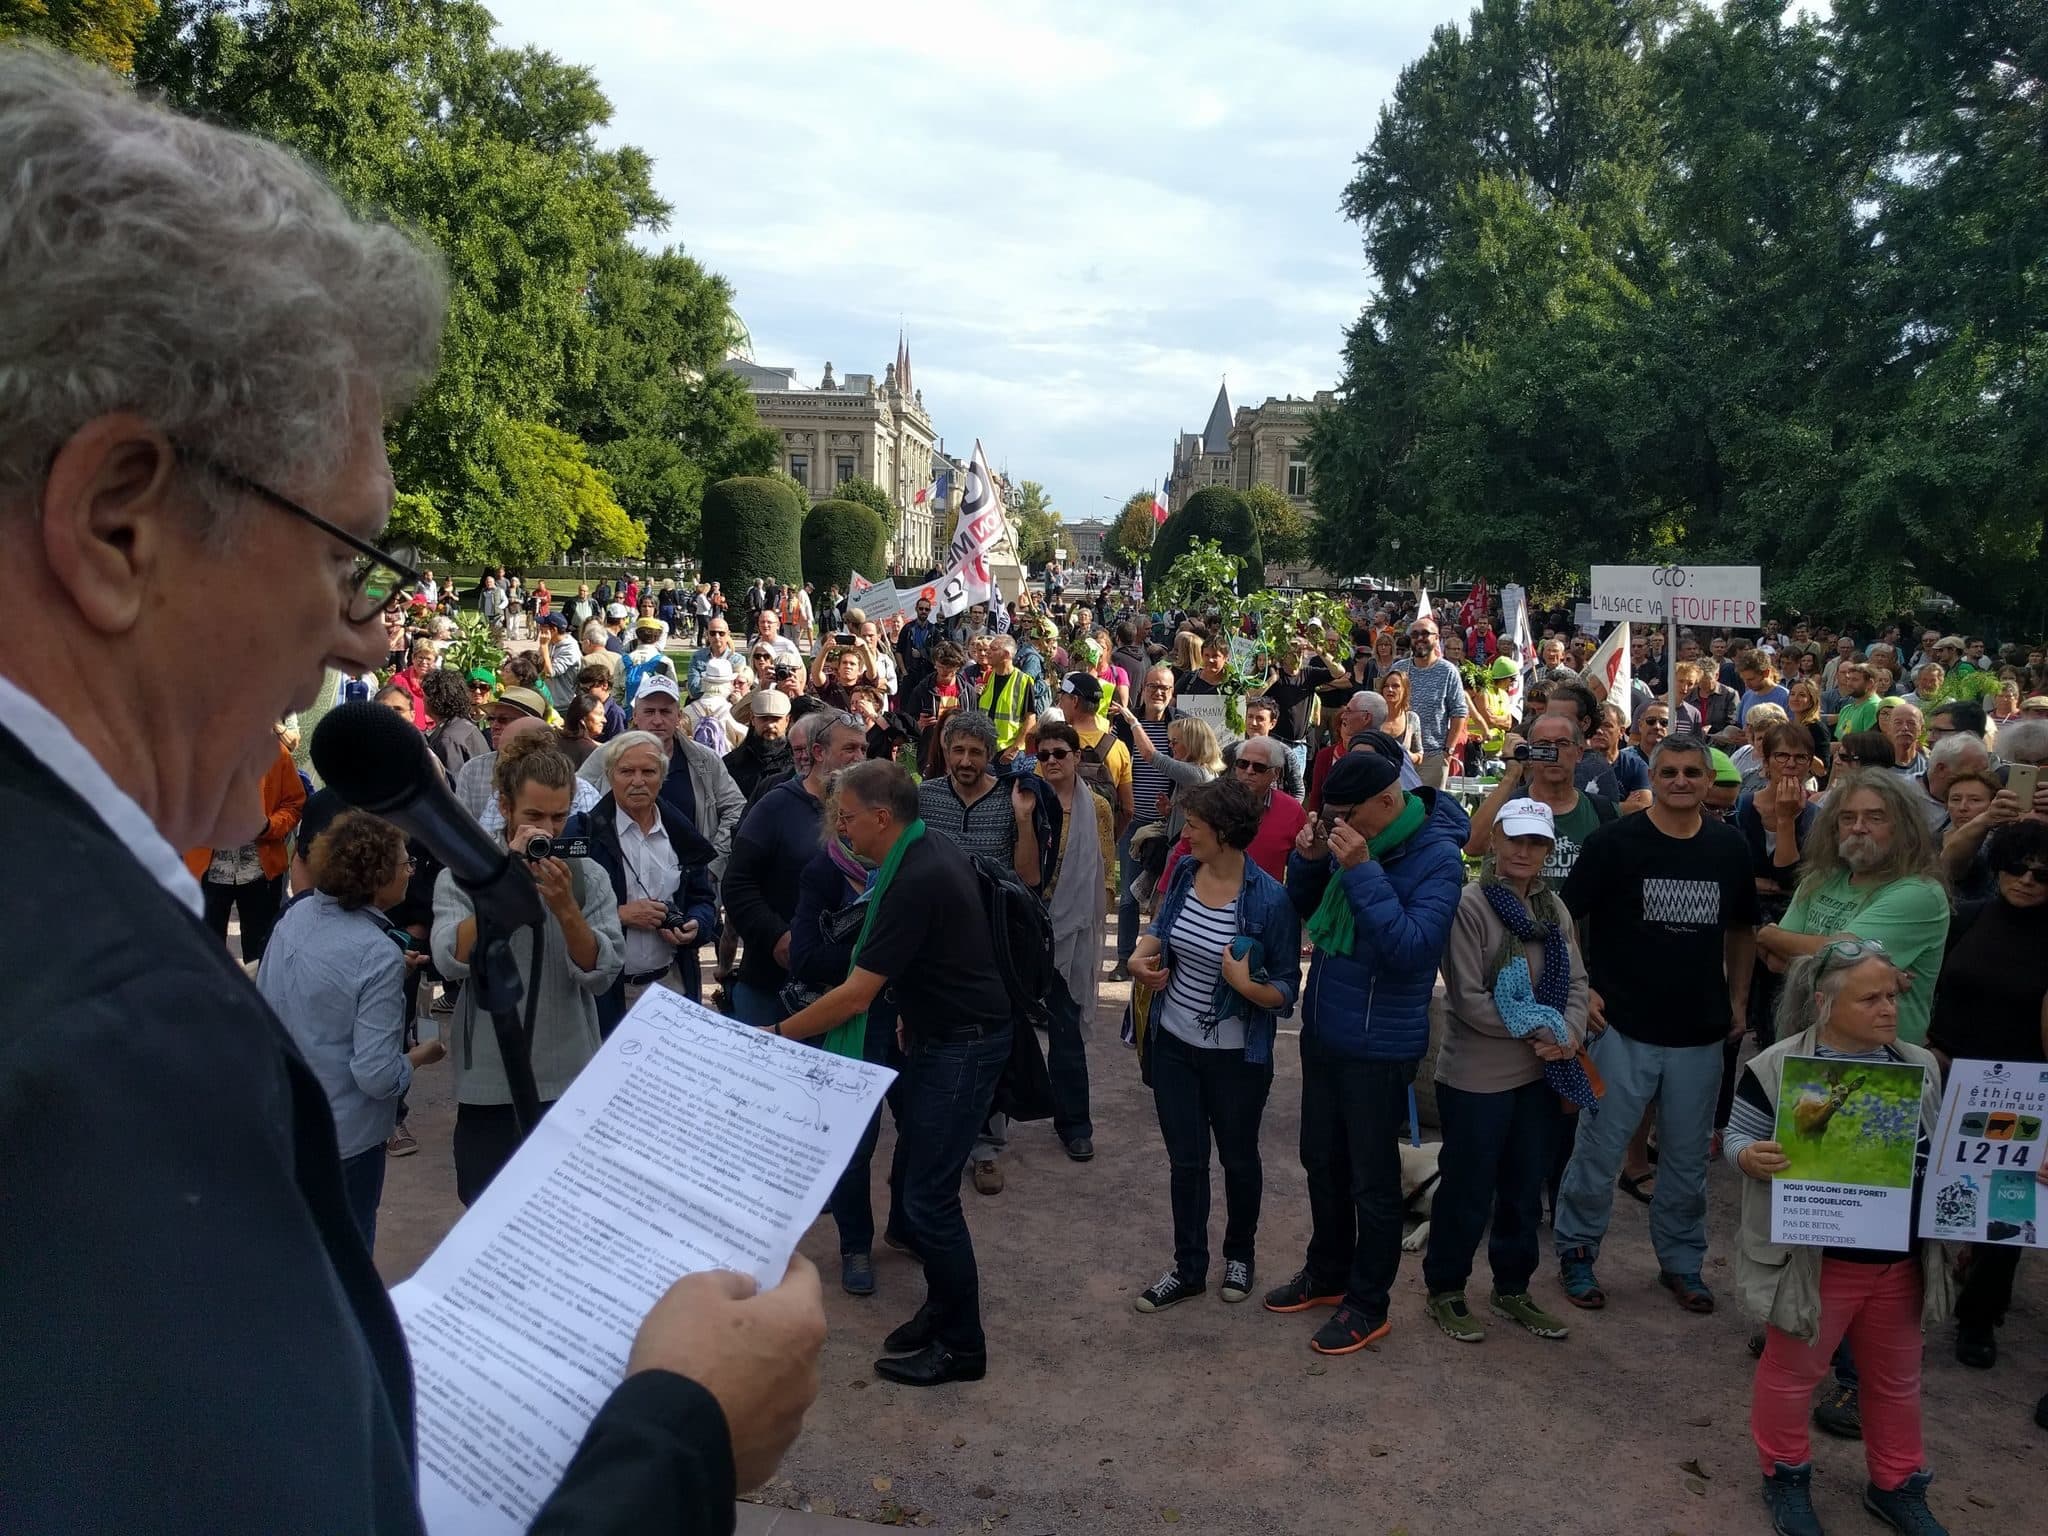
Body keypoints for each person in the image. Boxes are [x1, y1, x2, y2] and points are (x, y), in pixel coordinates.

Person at [0, 50, 824, 1529]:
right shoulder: (103, 1039)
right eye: (343, 554)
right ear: (117, 522)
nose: (363, 635)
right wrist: (682, 1435)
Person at [776, 761, 1016, 1387]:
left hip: (963, 1045)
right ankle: (940, 1307)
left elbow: (856, 995)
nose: (840, 831)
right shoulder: (925, 846)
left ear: (882, 817)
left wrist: (776, 1035)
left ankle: (964, 1347)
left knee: (929, 1201)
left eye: (846, 818)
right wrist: (912, 1008)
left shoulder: (914, 874)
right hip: (946, 1033)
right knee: (923, 1189)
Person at [1728, 945, 1954, 1536]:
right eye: (1871, 998)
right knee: (1792, 1372)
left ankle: (1897, 1485)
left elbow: (1950, 1154)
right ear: (1824, 1004)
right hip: (1815, 1260)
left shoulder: (1921, 1065)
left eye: (1892, 996)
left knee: (1897, 1380)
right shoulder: (1776, 1069)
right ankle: (1785, 1476)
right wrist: (1749, 1156)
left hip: (1899, 1262)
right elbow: (1735, 1137)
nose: (1889, 1010)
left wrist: (2018, 1170)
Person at [1266, 750, 1470, 1354]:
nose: (1339, 828)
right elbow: (1304, 911)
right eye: (1332, 819)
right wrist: (1308, 862)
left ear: (1387, 800)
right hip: (1326, 1029)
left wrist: (1359, 870)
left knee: (1372, 1180)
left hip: (1380, 1045)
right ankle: (1327, 1272)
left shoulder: (1438, 857)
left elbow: (1411, 951)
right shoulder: (1352, 838)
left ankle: (1367, 1302)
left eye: (1348, 816)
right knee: (1320, 1160)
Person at [1552, 736, 1759, 1314]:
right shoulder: (1614, 842)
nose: (1681, 781)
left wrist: (1739, 998)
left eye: (1693, 772)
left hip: (1700, 1031)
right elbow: (1564, 920)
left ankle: (1682, 1263)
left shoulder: (1729, 848)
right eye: (1669, 771)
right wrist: (1580, 986)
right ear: (1655, 775)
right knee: (1599, 1148)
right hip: (1623, 1025)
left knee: (1689, 1159)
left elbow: (1743, 928)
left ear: (1708, 780)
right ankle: (1576, 1252)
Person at [1127, 777, 1302, 1313]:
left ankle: (1240, 1254)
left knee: (1238, 1158)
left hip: (1237, 1058)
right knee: (1187, 1161)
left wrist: (1247, 987)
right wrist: (1140, 957)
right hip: (1173, 1042)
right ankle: (1188, 1268)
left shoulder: (1271, 899)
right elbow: (1163, 926)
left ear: (1225, 834)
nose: (1186, 835)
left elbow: (1286, 991)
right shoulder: (1183, 869)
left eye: (1196, 827)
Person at [432, 732, 623, 1204]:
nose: (548, 830)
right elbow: (449, 958)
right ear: (504, 806)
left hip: (567, 1073)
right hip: (489, 1081)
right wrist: (503, 885)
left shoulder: (586, 875)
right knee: (485, 1209)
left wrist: (566, 910)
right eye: (534, 816)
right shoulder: (462, 873)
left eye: (560, 817)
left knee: (564, 1212)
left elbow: (601, 972)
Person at [1424, 799, 1588, 1343]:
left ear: (1548, 849)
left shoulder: (1553, 910)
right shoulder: (1469, 906)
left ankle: (1512, 1288)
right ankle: (1446, 1288)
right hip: (1476, 1078)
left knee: (1524, 1189)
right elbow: (1469, 999)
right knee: (1468, 1189)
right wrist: (1547, 1030)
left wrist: (1569, 1033)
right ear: (1493, 841)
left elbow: (1579, 986)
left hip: (1540, 1076)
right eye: (1515, 839)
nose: (1524, 851)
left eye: (1536, 842)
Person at [259, 811, 446, 1248]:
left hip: (282, 1116)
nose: (411, 872)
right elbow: (377, 1075)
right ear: (377, 875)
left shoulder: (296, 916)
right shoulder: (375, 954)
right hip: (345, 1138)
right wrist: (420, 1056)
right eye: (405, 864)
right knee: (348, 1252)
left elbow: (307, 993)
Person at [1925, 819, 2048, 1374]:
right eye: (2015, 866)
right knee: (1929, 1193)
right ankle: (1910, 1300)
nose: (2026, 879)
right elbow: (1931, 984)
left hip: (2023, 1089)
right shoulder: (1967, 918)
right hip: (1949, 1073)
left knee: (2006, 1210)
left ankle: (1980, 1317)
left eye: (2042, 873)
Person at [920, 711, 1042, 1191]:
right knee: (935, 1037)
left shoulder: (1013, 799)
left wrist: (1024, 821)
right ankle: (940, 1139)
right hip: (933, 940)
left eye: (975, 751)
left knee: (993, 1040)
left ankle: (988, 1148)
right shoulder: (925, 798)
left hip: (995, 942)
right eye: (958, 750)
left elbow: (1029, 878)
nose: (966, 760)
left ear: (990, 755)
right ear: (945, 752)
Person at [1756, 770, 1950, 1046]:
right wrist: (1834, 955)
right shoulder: (1820, 879)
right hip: (1807, 1051)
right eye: (1848, 818)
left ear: (1903, 827)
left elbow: (1844, 955)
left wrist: (1767, 935)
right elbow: (1775, 962)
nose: (1858, 827)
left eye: (1875, 817)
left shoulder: (1919, 893)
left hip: (1882, 1064)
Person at [721, 710, 870, 1028]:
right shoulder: (775, 806)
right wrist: (776, 936)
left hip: (842, 991)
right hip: (769, 985)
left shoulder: (869, 813)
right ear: (818, 752)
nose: (859, 758)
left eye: (863, 749)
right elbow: (736, 883)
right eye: (850, 749)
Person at [576, 731, 719, 1035]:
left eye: (648, 771)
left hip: (672, 986)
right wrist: (620, 916)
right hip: (609, 997)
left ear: (662, 776)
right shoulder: (584, 835)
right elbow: (561, 917)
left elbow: (703, 900)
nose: (637, 781)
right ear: (609, 775)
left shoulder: (680, 833)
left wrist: (696, 924)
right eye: (627, 771)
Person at [190, 728, 307, 965]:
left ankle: (257, 998)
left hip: (261, 872)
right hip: (206, 871)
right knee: (205, 952)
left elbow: (295, 803)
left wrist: (268, 826)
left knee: (261, 953)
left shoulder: (275, 753)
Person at [1464, 713, 1616, 883]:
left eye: (1562, 743)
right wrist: (1511, 776)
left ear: (1579, 752)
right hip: (1517, 907)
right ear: (1530, 752)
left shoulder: (1603, 811)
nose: (1553, 752)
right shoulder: (1509, 806)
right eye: (1543, 745)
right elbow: (1471, 846)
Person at [1109, 665, 1180, 974]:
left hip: (1168, 827)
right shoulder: (1124, 725)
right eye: (1153, 686)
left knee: (1163, 897)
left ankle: (1156, 956)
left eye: (1165, 687)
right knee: (1128, 896)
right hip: (1134, 823)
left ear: (1172, 692)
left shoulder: (1180, 725)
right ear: (1142, 690)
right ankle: (1124, 958)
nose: (1158, 692)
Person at [1392, 615, 1469, 787]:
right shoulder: (1399, 668)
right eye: (1415, 634)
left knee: (1429, 810)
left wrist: (1448, 751)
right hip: (1400, 755)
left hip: (1433, 757)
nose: (1420, 638)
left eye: (1425, 633)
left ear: (1436, 638)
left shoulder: (1448, 671)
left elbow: (1459, 713)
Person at [975, 634, 1036, 766]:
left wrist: (1015, 748)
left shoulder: (1023, 681)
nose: (988, 652)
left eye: (994, 649)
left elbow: (1030, 719)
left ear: (1007, 654)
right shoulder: (988, 676)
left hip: (1007, 753)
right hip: (983, 748)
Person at [725, 687, 793, 802]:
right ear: (752, 718)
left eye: (776, 719)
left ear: (787, 720)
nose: (770, 725)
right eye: (764, 719)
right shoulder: (732, 763)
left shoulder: (799, 763)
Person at [421, 665, 488, 777]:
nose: (422, 700)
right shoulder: (465, 725)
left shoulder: (448, 740)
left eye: (424, 696)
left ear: (431, 700)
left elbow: (452, 788)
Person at [1377, 665, 1424, 766]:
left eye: (1395, 686)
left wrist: (1409, 756)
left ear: (1405, 690)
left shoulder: (1412, 718)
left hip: (1402, 777)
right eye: (1386, 686)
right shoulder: (1373, 716)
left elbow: (1419, 755)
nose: (1390, 689)